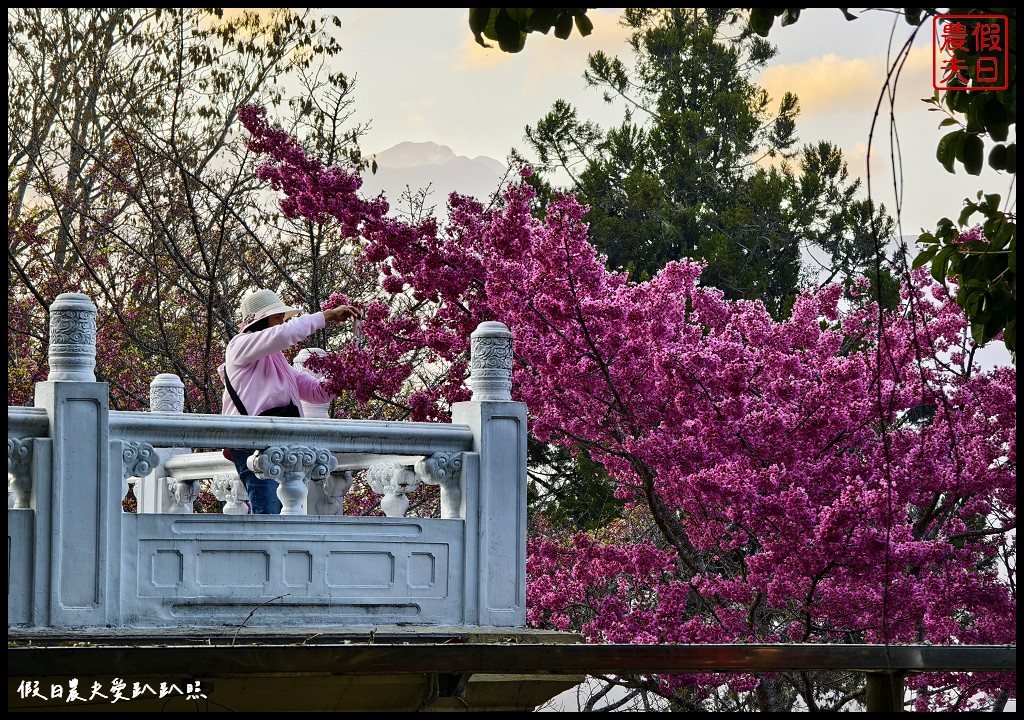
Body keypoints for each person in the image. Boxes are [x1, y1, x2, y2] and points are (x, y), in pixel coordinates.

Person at [219, 288, 359, 514]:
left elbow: (317, 392)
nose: (282, 323)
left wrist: (346, 372)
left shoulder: (277, 361)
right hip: (251, 442)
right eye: (277, 318)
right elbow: (284, 335)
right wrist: (327, 315)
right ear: (260, 321)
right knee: (268, 511)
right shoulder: (238, 345)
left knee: (281, 511)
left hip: (280, 442)